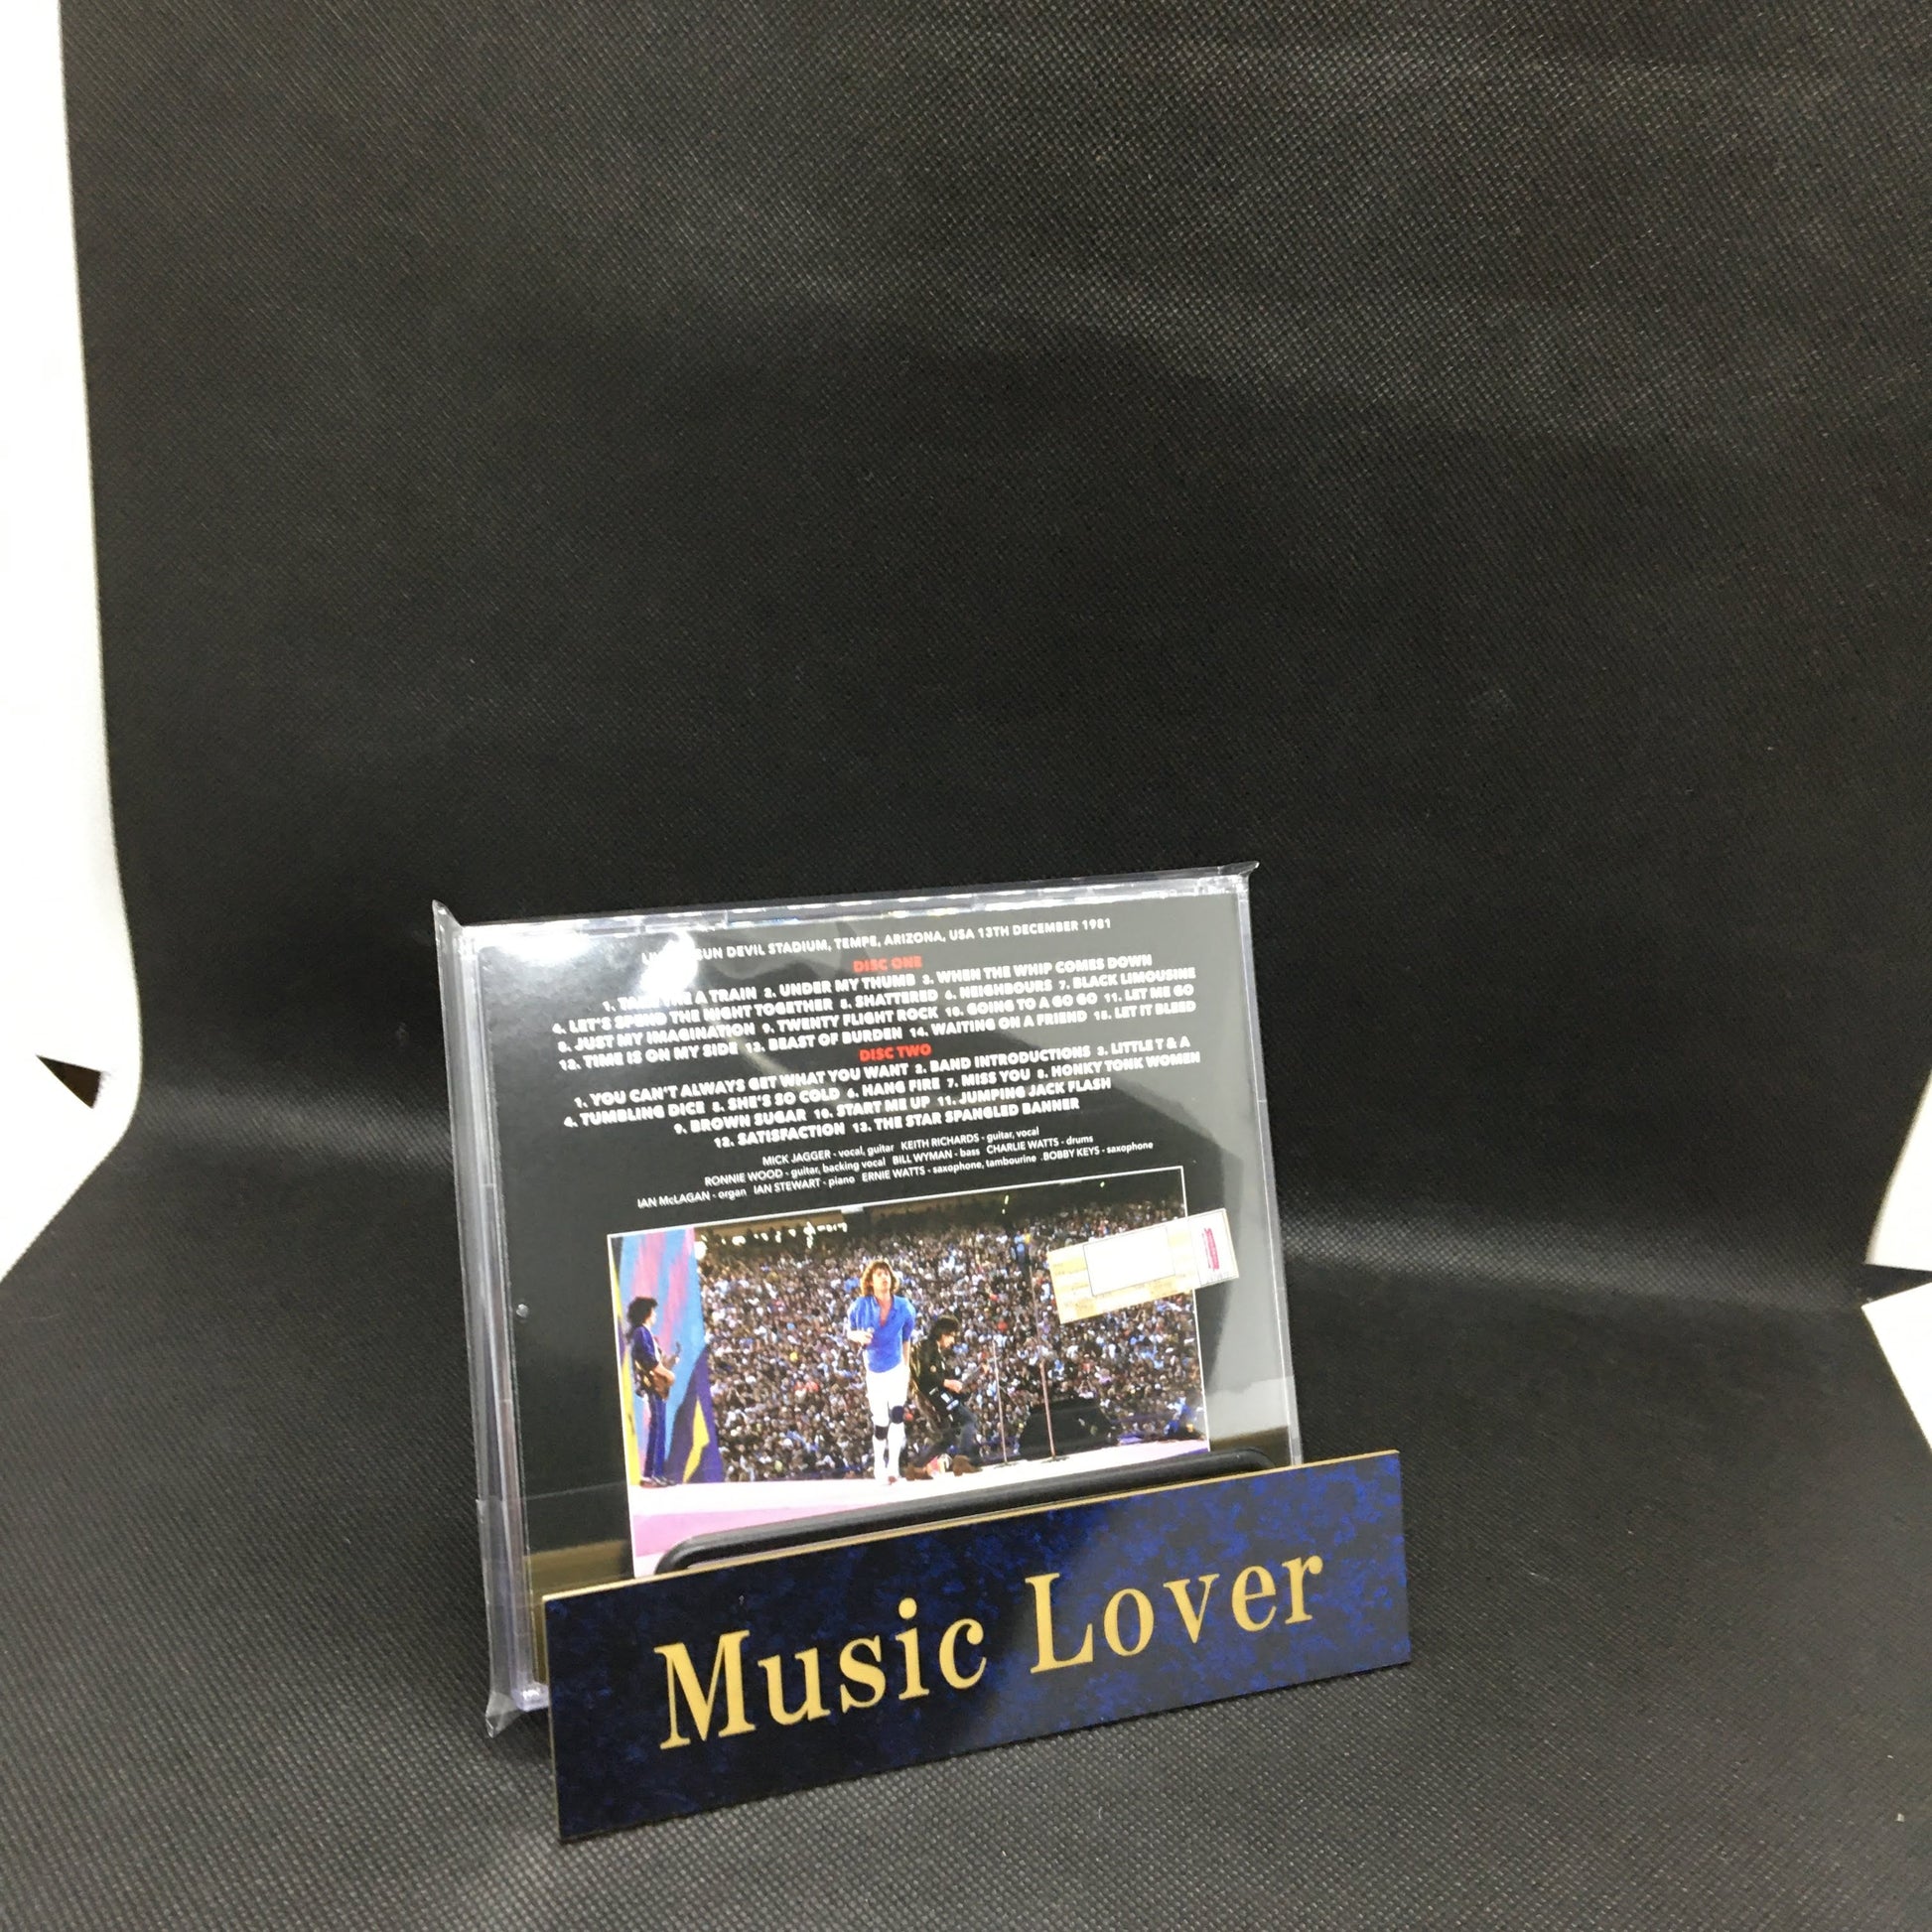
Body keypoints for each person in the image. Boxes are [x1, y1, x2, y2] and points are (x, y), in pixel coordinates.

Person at [845, 1259, 917, 1483]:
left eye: (886, 1273)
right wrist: (858, 1336)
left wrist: (906, 1368)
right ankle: (879, 1463)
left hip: (896, 1368)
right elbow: (849, 1331)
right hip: (874, 1371)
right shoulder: (860, 1306)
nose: (884, 1277)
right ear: (870, 1281)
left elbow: (906, 1338)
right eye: (878, 1274)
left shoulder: (905, 1306)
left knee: (897, 1415)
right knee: (881, 1421)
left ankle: (893, 1466)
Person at [911, 1313, 981, 1474]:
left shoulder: (932, 1348)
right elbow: (926, 1374)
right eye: (952, 1336)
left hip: (934, 1396)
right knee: (969, 1420)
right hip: (934, 1396)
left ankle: (916, 1467)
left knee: (948, 1438)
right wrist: (947, 1383)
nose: (953, 1341)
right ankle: (962, 1459)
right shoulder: (928, 1346)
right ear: (944, 1334)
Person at [625, 1295, 669, 1484]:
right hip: (651, 1386)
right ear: (647, 1313)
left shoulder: (645, 1334)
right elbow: (649, 1361)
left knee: (659, 1427)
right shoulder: (642, 1333)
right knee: (658, 1427)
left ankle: (654, 1473)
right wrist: (668, 1374)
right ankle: (653, 1473)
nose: (656, 1315)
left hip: (655, 1386)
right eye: (653, 1311)